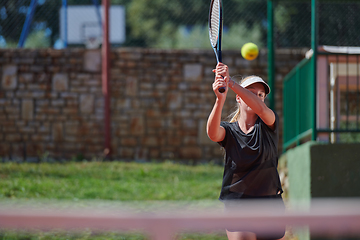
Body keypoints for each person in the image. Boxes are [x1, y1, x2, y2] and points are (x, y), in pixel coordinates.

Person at [206, 63, 285, 240]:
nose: (256, 97)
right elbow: (212, 134)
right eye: (250, 92)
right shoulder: (230, 131)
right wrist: (220, 99)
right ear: (239, 98)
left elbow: (262, 109)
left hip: (270, 203)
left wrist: (231, 83)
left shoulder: (270, 122)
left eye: (260, 95)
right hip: (238, 204)